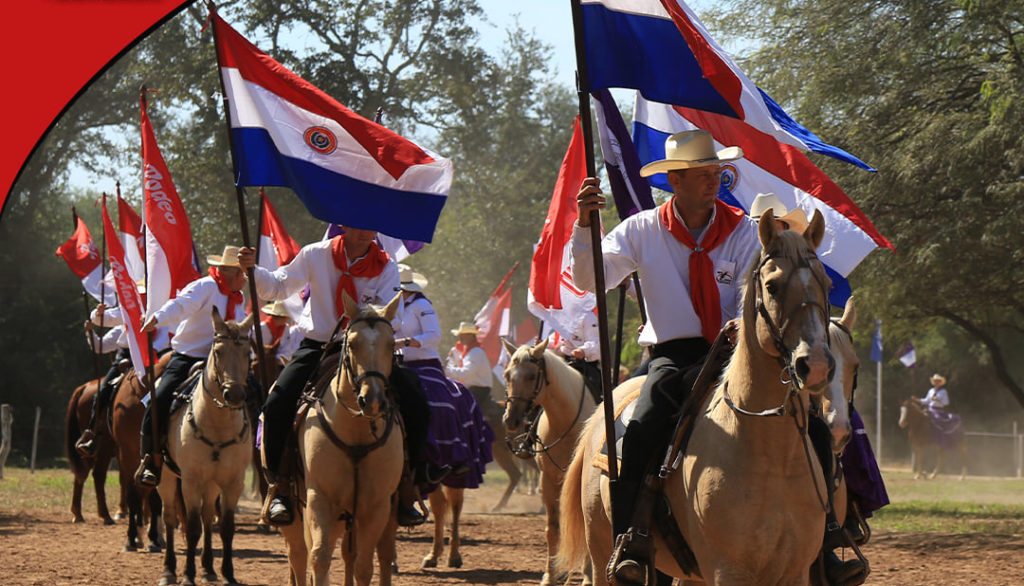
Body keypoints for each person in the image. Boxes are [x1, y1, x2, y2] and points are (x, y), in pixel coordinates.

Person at [572, 129, 763, 585]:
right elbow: (589, 277)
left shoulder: (745, 231)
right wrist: (585, 224)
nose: (712, 180)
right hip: (674, 356)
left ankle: (834, 529)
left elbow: (750, 292)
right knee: (642, 427)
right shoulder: (641, 230)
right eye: (701, 173)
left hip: (737, 353)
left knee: (811, 417)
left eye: (716, 171)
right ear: (674, 181)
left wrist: (741, 323)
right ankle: (631, 538)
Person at [237, 227, 431, 528]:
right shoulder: (316, 254)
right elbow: (276, 287)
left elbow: (395, 315)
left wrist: (366, 316)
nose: (367, 234)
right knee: (277, 403)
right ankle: (280, 489)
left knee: (417, 401)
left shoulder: (387, 264)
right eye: (361, 227)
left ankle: (409, 487)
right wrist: (253, 270)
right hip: (319, 344)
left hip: (367, 345)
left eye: (372, 228)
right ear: (346, 226)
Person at [752, 192, 870, 584]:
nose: (784, 234)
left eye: (789, 227)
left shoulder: (794, 261)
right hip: (712, 350)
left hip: (777, 357)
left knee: (820, 433)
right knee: (651, 416)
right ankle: (638, 534)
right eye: (778, 226)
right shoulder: (742, 245)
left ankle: (828, 536)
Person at [136, 246, 248, 487]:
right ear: (229, 271)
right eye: (243, 273)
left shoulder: (239, 297)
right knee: (160, 397)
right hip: (189, 356)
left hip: (225, 361)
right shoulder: (205, 287)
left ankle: (252, 453)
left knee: (257, 393)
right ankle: (151, 460)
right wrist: (158, 317)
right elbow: (181, 305)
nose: (246, 278)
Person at [394, 264, 491, 489]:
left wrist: (405, 342)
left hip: (423, 363)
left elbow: (434, 336)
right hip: (395, 363)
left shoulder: (421, 305)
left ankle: (441, 455)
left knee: (435, 401)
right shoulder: (389, 306)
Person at [546, 310, 602, 403]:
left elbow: (595, 343)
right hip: (563, 363)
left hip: (584, 366)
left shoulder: (588, 317)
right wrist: (543, 344)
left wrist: (583, 350)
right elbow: (555, 341)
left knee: (594, 391)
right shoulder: (561, 317)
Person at [445, 321, 496, 418]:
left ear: (472, 336)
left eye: (464, 334)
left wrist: (445, 370)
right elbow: (453, 365)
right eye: (460, 334)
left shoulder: (475, 352)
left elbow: (465, 373)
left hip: (478, 390)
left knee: (462, 412)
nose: (461, 337)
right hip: (471, 389)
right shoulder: (466, 351)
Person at [258, 300, 299, 365]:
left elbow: (285, 348)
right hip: (261, 361)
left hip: (277, 363)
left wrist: (277, 358)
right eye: (286, 317)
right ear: (281, 318)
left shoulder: (285, 328)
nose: (287, 320)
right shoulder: (261, 328)